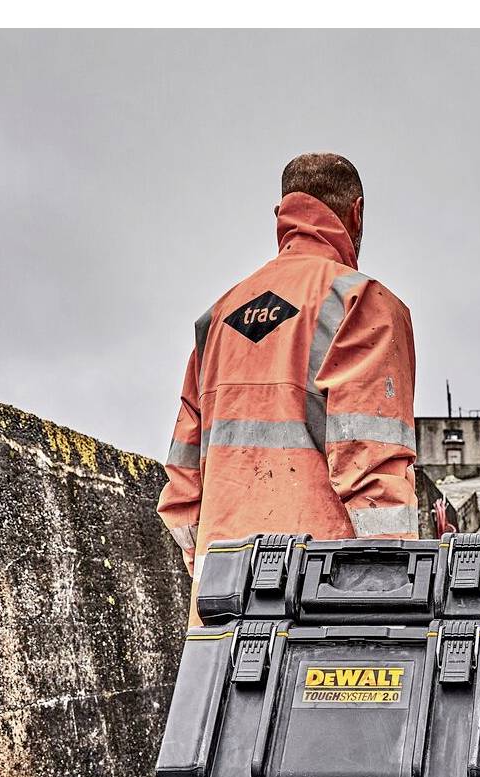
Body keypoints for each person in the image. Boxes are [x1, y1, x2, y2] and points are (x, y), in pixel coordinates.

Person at [156, 152, 418, 586]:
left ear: (281, 216)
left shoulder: (218, 318)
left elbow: (181, 491)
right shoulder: (361, 303)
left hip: (224, 606)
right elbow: (372, 469)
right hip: (324, 606)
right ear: (357, 213)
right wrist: (395, 592)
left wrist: (213, 577)